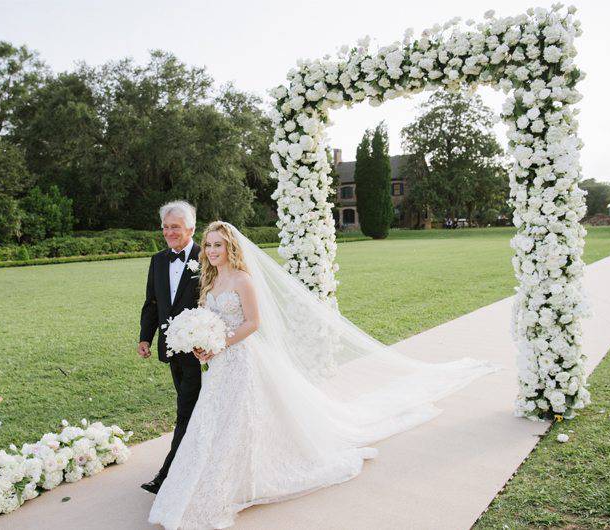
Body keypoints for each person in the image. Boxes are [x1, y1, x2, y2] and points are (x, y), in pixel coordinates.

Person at [147, 221, 501, 529]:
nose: (211, 251)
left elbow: (254, 323)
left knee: (239, 421)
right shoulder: (209, 282)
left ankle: (234, 483)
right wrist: (201, 341)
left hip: (240, 359)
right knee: (214, 421)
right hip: (219, 364)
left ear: (231, 248)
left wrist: (221, 342)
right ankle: (209, 478)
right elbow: (207, 320)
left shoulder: (242, 279)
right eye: (208, 245)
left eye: (217, 245)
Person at [138, 200, 202, 494]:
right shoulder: (158, 260)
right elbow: (152, 303)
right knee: (192, 409)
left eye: (175, 226)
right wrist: (145, 337)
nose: (168, 232)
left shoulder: (209, 256)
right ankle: (197, 461)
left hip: (204, 354)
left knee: (185, 411)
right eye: (165, 227)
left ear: (190, 227)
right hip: (171, 350)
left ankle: (167, 475)